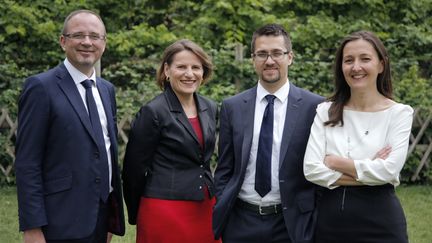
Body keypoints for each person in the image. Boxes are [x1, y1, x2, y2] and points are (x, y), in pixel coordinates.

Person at [15, 9, 125, 243]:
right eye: (79, 35)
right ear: (63, 42)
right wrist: (32, 227)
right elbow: (27, 162)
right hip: (59, 221)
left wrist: (110, 216)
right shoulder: (41, 87)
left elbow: (104, 150)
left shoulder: (106, 90)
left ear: (104, 44)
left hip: (100, 218)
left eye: (95, 36)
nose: (87, 42)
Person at [213, 24, 324, 243]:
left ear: (290, 57)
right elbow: (225, 167)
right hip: (241, 222)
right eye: (262, 54)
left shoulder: (315, 106)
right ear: (253, 59)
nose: (269, 60)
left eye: (276, 53)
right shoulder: (232, 106)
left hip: (292, 223)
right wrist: (222, 201)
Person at [303, 31, 412, 243]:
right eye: (348, 60)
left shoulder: (399, 113)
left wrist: (336, 162)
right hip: (331, 224)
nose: (356, 67)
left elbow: (389, 170)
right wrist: (371, 168)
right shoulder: (325, 111)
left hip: (382, 222)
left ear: (381, 65)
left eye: (365, 59)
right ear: (341, 67)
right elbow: (311, 169)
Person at [122, 39, 220, 243]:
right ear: (167, 70)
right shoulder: (153, 112)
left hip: (205, 208)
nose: (189, 73)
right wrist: (136, 211)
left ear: (203, 72)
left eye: (196, 67)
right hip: (164, 209)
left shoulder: (209, 107)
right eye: (181, 67)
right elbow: (133, 170)